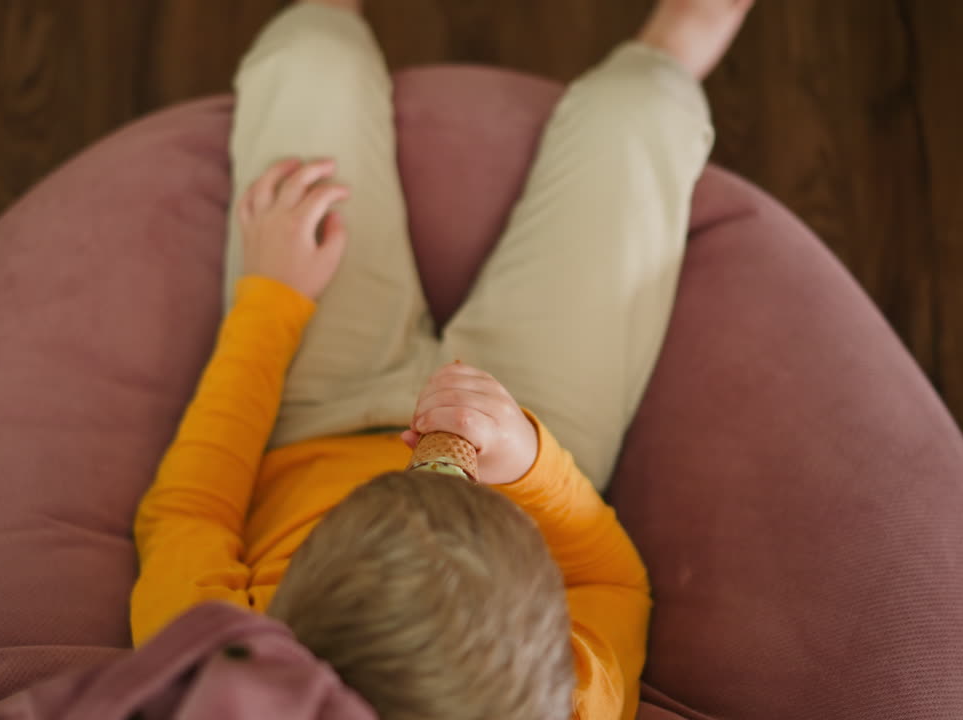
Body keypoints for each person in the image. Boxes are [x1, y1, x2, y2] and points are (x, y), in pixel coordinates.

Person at [130, 1, 753, 718]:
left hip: (317, 414)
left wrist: (270, 297)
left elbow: (190, 509)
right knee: (637, 113)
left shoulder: (219, 659)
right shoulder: (575, 700)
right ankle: (668, 56)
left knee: (310, 55)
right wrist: (529, 461)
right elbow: (611, 585)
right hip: (535, 424)